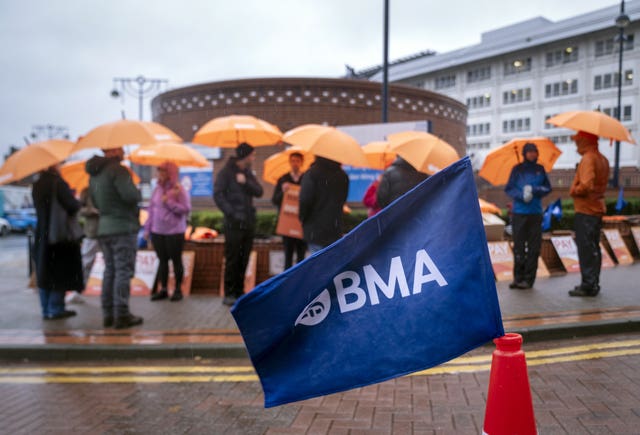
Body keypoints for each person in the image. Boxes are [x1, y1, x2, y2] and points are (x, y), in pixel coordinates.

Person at [87, 147, 143, 328]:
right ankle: (122, 314)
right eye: (119, 147)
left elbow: (95, 202)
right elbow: (131, 196)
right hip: (122, 227)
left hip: (104, 228)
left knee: (110, 271)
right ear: (112, 151)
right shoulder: (118, 170)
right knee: (122, 272)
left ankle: (108, 313)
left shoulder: (95, 173)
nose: (123, 150)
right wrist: (136, 189)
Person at [214, 143, 263, 306]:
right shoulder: (225, 173)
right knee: (232, 258)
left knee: (244, 258)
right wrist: (232, 213)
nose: (253, 158)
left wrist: (245, 182)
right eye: (252, 155)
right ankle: (229, 293)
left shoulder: (247, 173)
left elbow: (259, 191)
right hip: (233, 224)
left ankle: (239, 291)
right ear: (245, 156)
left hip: (248, 223)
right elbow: (218, 195)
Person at [31, 165, 84, 320]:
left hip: (42, 232)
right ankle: (56, 308)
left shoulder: (37, 184)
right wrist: (77, 201)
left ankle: (46, 309)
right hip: (59, 235)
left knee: (44, 272)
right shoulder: (57, 183)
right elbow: (71, 206)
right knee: (59, 273)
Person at [505, 142, 552, 290]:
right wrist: (520, 195)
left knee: (533, 247)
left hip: (535, 213)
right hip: (519, 212)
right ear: (525, 153)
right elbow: (509, 188)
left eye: (534, 152)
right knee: (518, 246)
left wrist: (535, 190)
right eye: (529, 152)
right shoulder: (517, 170)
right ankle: (517, 278)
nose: (532, 154)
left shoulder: (540, 169)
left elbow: (547, 188)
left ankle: (529, 279)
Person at [568, 131, 609, 297]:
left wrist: (574, 189)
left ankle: (588, 284)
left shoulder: (588, 159)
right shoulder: (602, 159)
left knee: (586, 248)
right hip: (596, 209)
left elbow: (586, 185)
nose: (576, 144)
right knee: (593, 248)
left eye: (578, 141)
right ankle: (593, 282)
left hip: (586, 210)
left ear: (584, 141)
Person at [144, 161, 191, 302]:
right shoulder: (157, 189)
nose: (161, 174)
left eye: (164, 171)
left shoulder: (179, 189)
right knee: (162, 261)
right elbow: (151, 210)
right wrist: (147, 229)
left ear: (171, 173)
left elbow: (186, 209)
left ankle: (178, 289)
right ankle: (163, 289)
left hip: (174, 231)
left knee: (176, 261)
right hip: (158, 231)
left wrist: (169, 202)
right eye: (159, 171)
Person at [299, 156, 349, 253]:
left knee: (317, 263)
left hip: (314, 229)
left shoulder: (312, 173)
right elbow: (343, 199)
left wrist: (302, 217)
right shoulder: (343, 176)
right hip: (334, 228)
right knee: (331, 263)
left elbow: (305, 199)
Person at [271, 151, 307, 269]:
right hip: (287, 224)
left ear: (302, 163)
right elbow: (275, 200)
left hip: (302, 224)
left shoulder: (306, 179)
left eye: (297, 161)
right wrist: (282, 191)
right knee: (288, 255)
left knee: (301, 256)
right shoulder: (283, 179)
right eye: (292, 161)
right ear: (289, 162)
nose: (295, 164)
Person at [66, 187, 101, 304]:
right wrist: (92, 210)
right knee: (86, 262)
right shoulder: (86, 191)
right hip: (93, 231)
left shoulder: (109, 187)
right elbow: (80, 210)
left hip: (109, 231)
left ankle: (112, 293)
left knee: (111, 263)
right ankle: (78, 291)